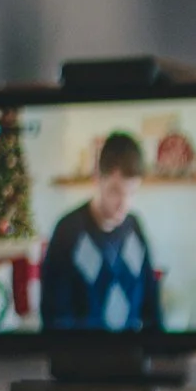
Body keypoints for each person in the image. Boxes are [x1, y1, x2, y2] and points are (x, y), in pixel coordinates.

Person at [39, 132, 163, 331]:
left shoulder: (135, 228)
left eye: (131, 193)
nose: (124, 204)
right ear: (97, 179)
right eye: (115, 191)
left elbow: (151, 305)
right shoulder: (67, 231)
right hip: (82, 358)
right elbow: (53, 316)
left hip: (130, 356)